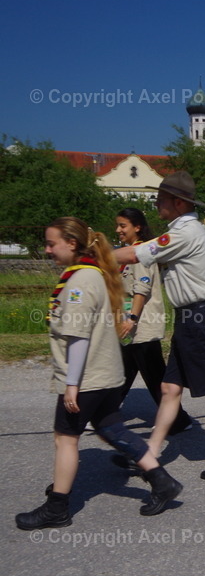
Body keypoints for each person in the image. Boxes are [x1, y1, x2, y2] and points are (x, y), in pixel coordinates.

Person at [16, 217, 183, 529]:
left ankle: (58, 507)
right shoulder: (94, 274)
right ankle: (162, 481)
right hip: (106, 373)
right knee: (113, 429)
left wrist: (71, 385)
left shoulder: (79, 282)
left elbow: (78, 337)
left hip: (87, 377)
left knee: (65, 438)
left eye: (52, 243)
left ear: (72, 244)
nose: (47, 249)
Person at [114, 171, 205, 479]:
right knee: (169, 387)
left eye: (160, 199)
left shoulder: (183, 234)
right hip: (190, 317)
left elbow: (135, 254)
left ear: (176, 203)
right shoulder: (183, 231)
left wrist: (95, 257)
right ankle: (150, 454)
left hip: (199, 317)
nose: (156, 204)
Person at [114, 208, 193, 435]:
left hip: (141, 324)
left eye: (123, 226)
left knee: (154, 374)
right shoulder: (128, 252)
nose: (118, 230)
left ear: (137, 227)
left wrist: (132, 319)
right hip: (130, 326)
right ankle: (105, 412)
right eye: (118, 225)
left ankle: (178, 419)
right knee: (124, 371)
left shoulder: (142, 252)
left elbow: (142, 288)